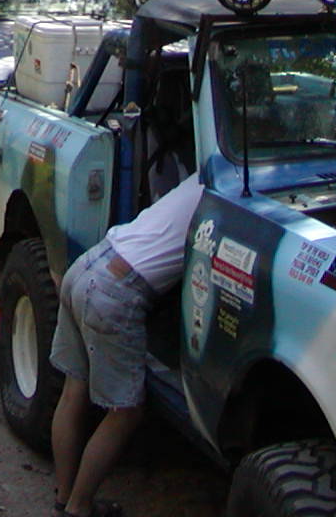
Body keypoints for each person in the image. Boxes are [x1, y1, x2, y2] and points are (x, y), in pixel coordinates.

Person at [49, 172, 207, 517]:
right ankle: (79, 507)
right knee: (125, 412)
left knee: (74, 390)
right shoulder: (231, 193)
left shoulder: (201, 177)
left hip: (89, 264)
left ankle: (64, 497)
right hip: (116, 289)